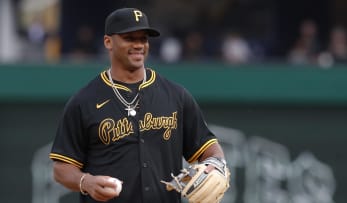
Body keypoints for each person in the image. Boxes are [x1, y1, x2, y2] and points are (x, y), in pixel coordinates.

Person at [49, 7, 228, 203]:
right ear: (108, 42)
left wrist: (216, 163)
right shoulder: (84, 101)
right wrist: (86, 181)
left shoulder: (176, 95)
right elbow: (61, 168)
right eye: (129, 38)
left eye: (143, 38)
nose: (138, 45)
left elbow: (208, 148)